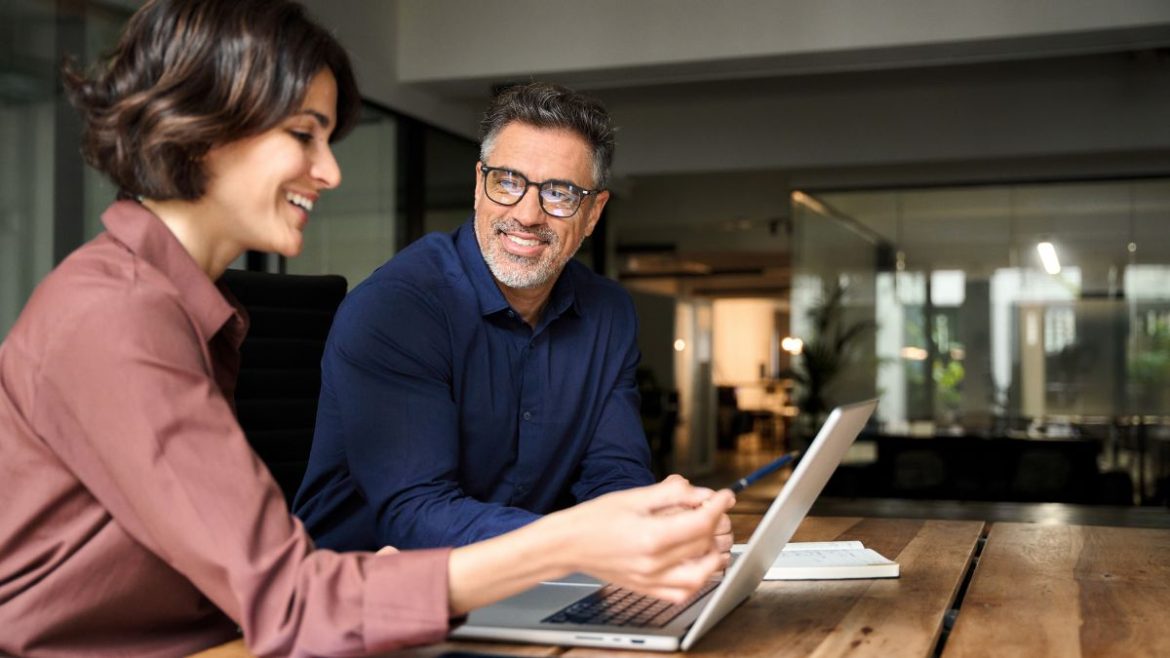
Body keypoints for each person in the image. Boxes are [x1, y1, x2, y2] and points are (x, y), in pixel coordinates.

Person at [0, 2, 735, 656]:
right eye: (304, 135)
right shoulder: (118, 316)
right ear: (204, 132)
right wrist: (573, 542)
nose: (330, 172)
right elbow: (291, 599)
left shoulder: (183, 306)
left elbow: (261, 583)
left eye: (328, 140)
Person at [293, 83, 733, 557]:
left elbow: (613, 473)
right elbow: (416, 515)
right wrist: (586, 541)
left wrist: (655, 523)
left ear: (592, 213)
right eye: (507, 181)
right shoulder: (398, 308)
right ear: (479, 185)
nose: (526, 214)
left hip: (534, 581)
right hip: (370, 591)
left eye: (560, 193)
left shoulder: (609, 314)